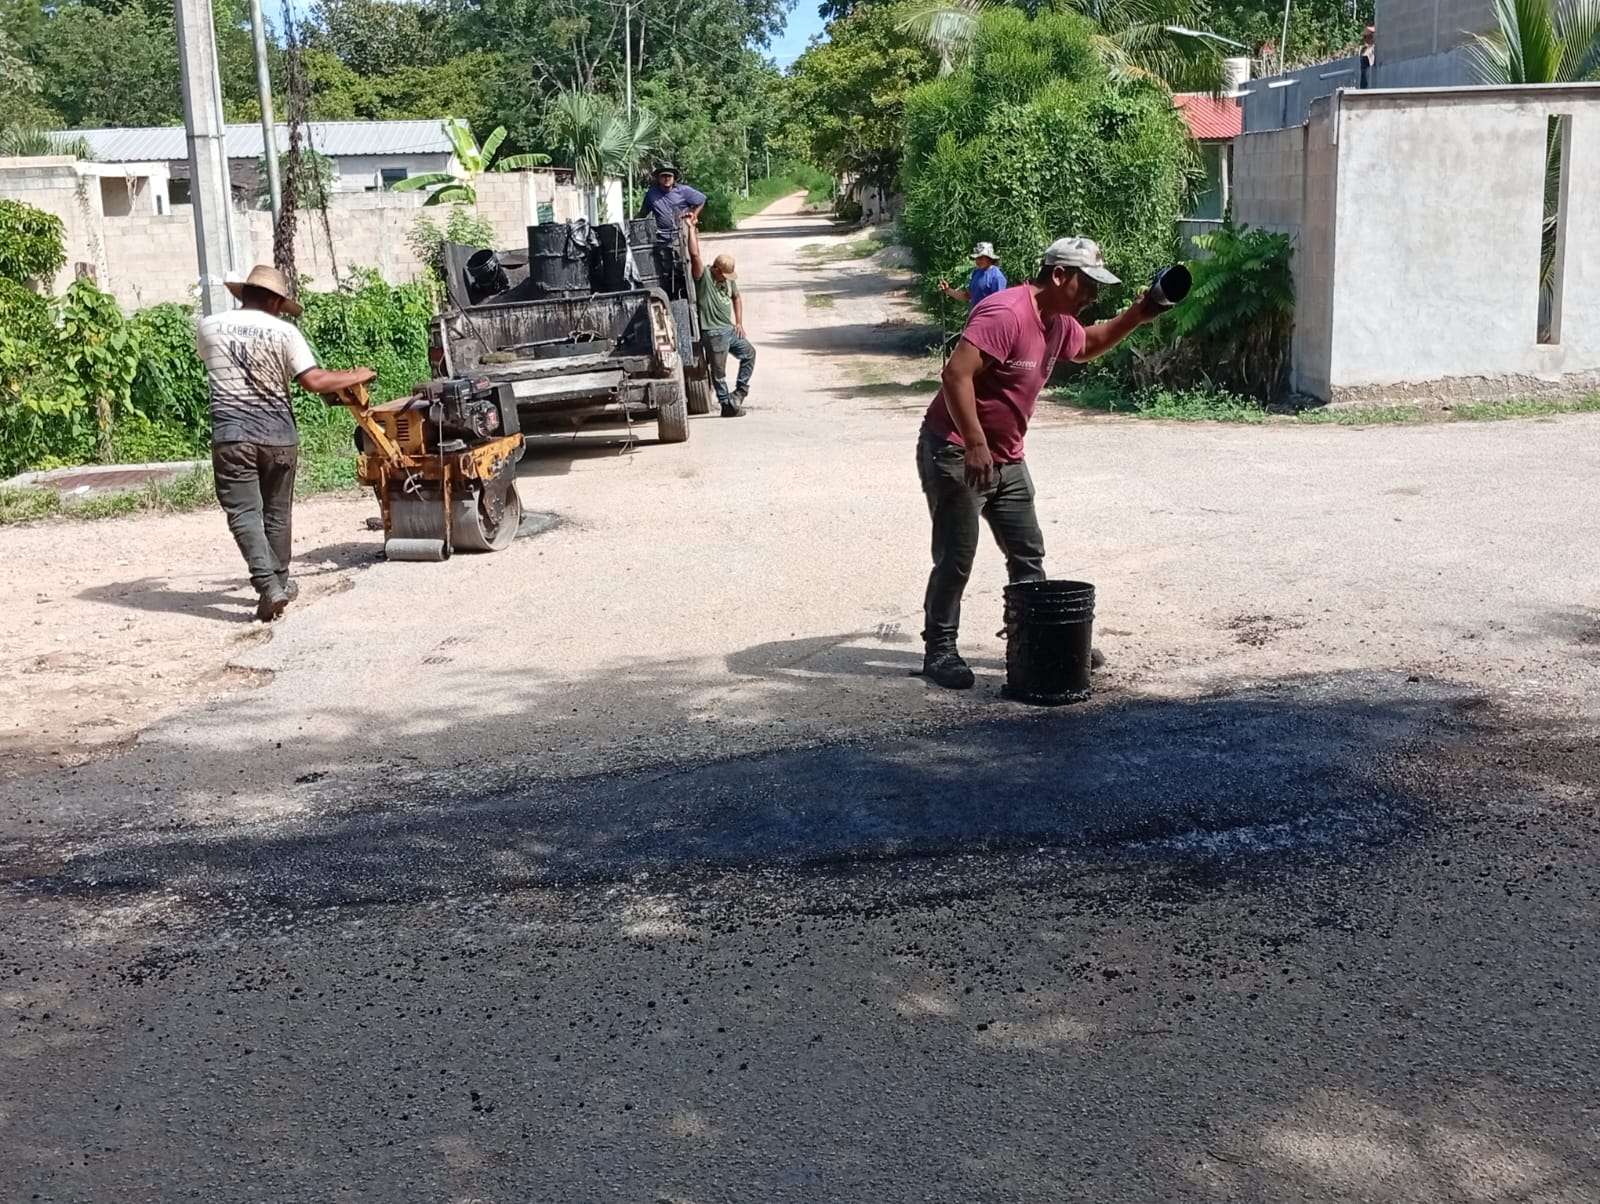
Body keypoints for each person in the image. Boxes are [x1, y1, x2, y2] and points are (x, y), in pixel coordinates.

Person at [916, 236, 1171, 689]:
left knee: (1027, 552)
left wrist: (1137, 314)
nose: (1092, 295)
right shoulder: (1006, 313)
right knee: (957, 557)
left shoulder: (1057, 322)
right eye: (1086, 284)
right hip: (956, 448)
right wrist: (975, 442)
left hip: (1006, 456)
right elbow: (955, 374)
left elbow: (1087, 345)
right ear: (1058, 275)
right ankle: (940, 650)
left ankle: (1037, 638)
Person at [197, 265, 375, 622]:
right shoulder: (284, 332)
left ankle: (270, 587)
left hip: (232, 435)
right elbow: (314, 381)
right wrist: (357, 374)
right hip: (279, 436)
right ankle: (277, 583)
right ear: (276, 301)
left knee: (244, 513)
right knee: (277, 513)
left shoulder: (208, 326)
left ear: (244, 293)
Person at [685, 217, 755, 418]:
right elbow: (695, 254)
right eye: (724, 275)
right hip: (713, 332)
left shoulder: (729, 281)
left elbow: (737, 297)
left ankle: (740, 392)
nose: (726, 279)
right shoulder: (705, 277)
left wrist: (739, 322)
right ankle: (726, 404)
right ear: (716, 269)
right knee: (719, 371)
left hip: (730, 329)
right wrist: (691, 229)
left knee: (749, 353)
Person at [640, 163, 706, 242]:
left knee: (690, 249)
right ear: (658, 178)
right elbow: (642, 214)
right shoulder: (651, 194)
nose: (667, 178)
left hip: (682, 234)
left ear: (674, 178)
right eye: (664, 176)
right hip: (660, 237)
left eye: (669, 176)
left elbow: (702, 200)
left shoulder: (684, 191)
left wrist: (694, 215)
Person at [938, 242, 1007, 310]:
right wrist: (948, 290)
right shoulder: (976, 273)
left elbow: (999, 304)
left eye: (981, 258)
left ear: (989, 258)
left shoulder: (997, 277)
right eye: (976, 258)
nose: (977, 261)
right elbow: (968, 296)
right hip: (976, 314)